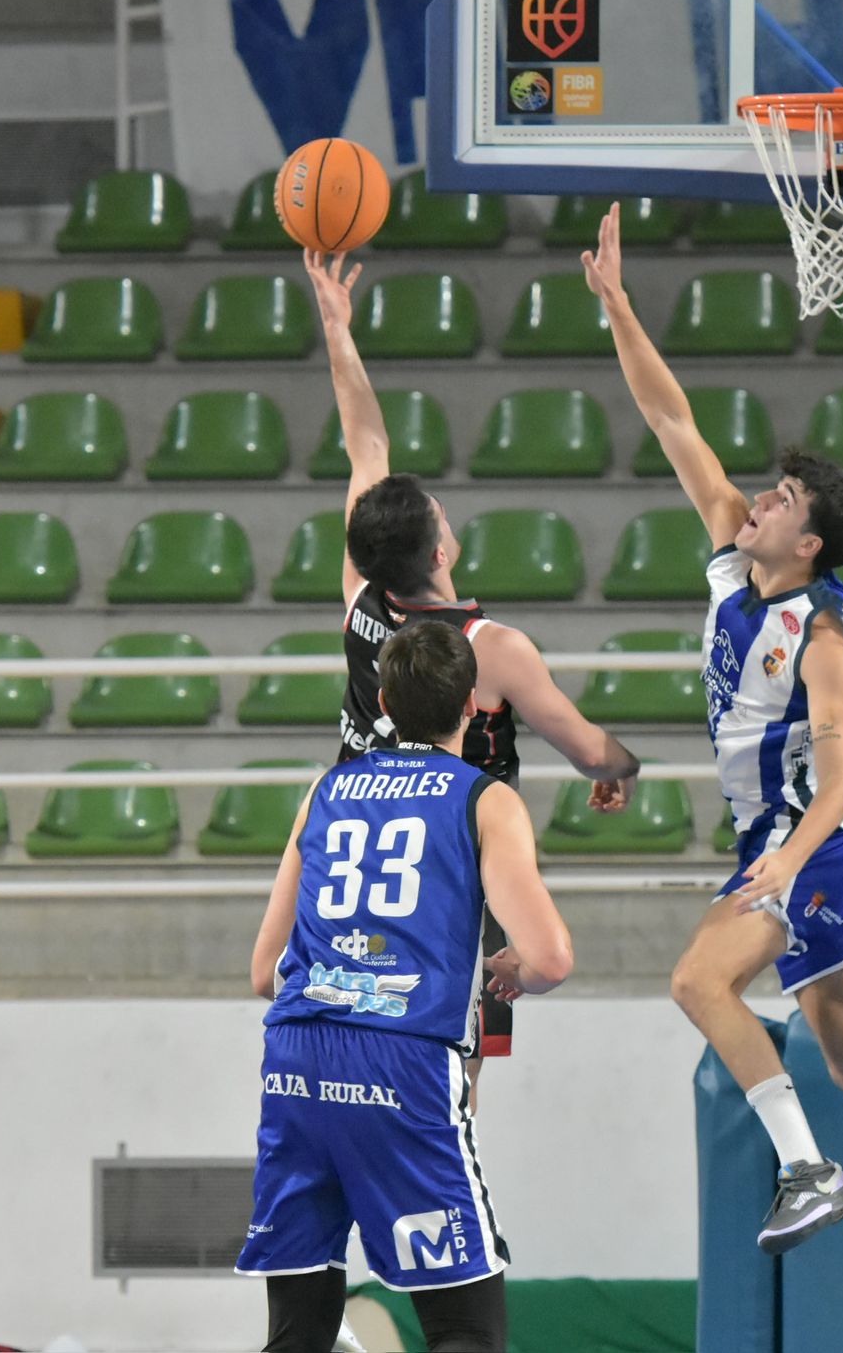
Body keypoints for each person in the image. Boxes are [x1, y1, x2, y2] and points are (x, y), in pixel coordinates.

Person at [583, 203, 843, 1344]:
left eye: (778, 500)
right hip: (786, 832)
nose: (755, 498)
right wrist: (618, 306)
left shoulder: (822, 634)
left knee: (697, 983)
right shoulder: (734, 562)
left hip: (817, 834)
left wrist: (781, 862)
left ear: (808, 542)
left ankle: (804, 1168)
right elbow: (669, 417)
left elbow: (828, 786)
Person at [302, 247, 639, 1083]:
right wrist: (623, 767)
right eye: (439, 513)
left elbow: (364, 441)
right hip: (454, 854)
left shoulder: (359, 595)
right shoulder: (492, 649)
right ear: (438, 547)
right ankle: (449, 1212)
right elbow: (588, 749)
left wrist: (337, 330)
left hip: (358, 849)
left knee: (361, 1054)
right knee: (453, 1069)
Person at [237, 622, 575, 1353]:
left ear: (383, 699)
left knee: (296, 1335)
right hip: (403, 1066)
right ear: (475, 707)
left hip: (297, 1063)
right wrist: (508, 966)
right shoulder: (485, 800)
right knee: (464, 1332)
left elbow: (264, 972)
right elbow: (550, 959)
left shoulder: (325, 790)